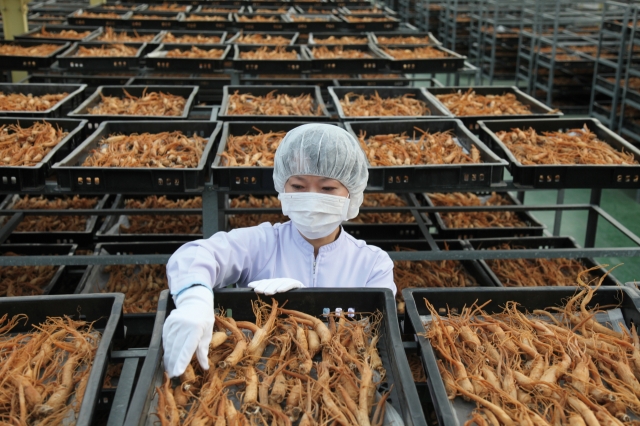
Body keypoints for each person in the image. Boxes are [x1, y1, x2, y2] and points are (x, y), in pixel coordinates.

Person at [162, 123, 396, 378]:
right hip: (260, 372)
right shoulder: (262, 242)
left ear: (352, 193)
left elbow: (376, 336)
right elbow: (195, 255)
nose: (311, 197)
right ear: (282, 188)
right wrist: (194, 301)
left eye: (328, 188)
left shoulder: (372, 263)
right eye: (298, 186)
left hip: (341, 377)